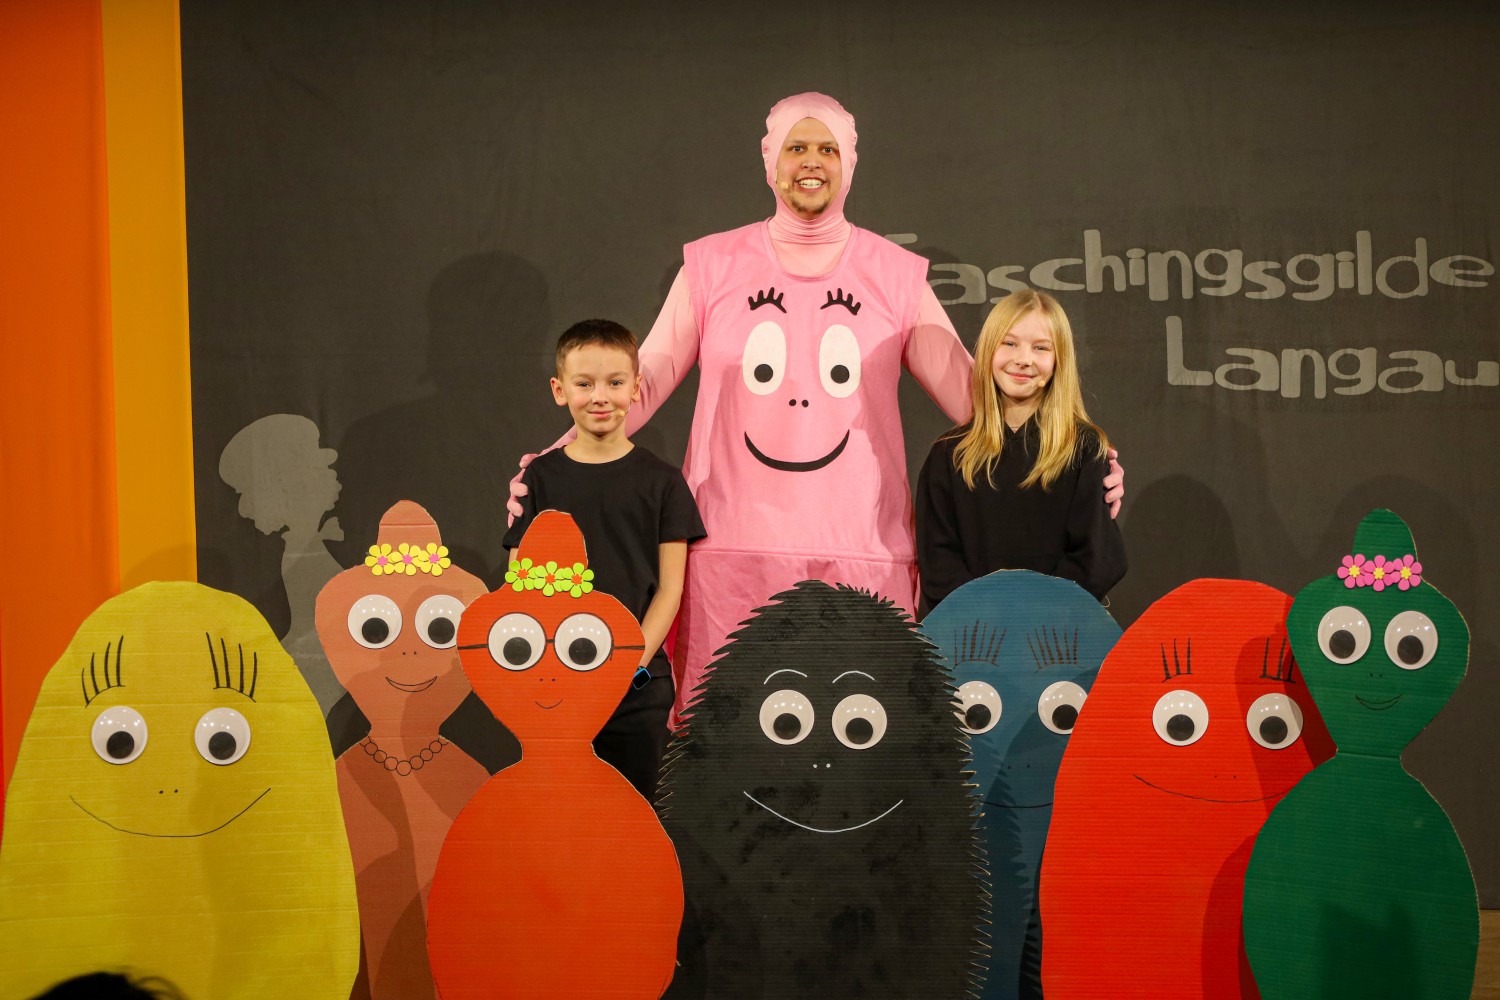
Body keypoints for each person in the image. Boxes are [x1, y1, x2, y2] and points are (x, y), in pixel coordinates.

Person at [511, 93, 1123, 725]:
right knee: (724, 748)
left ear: (849, 162)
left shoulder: (896, 275)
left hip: (863, 554)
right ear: (769, 159)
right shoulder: (710, 267)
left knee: (863, 747)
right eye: (796, 147)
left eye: (828, 148)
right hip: (731, 552)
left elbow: (981, 401)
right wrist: (550, 467)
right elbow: (638, 388)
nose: (811, 161)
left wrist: (1081, 457)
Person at [503, 319, 705, 800]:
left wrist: (628, 661)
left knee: (631, 817)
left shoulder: (663, 482)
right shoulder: (539, 477)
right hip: (553, 681)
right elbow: (519, 583)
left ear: (636, 388)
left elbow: (671, 587)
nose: (600, 397)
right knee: (557, 813)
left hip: (636, 686)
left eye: (615, 383)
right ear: (559, 390)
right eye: (584, 383)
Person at [916, 290, 1126, 617]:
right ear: (988, 350)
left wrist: (1034, 617)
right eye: (1010, 343)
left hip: (1059, 634)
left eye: (1040, 347)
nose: (1023, 359)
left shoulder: (1084, 449)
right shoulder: (948, 455)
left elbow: (1097, 559)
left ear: (1058, 361)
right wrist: (992, 619)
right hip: (975, 636)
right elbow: (939, 563)